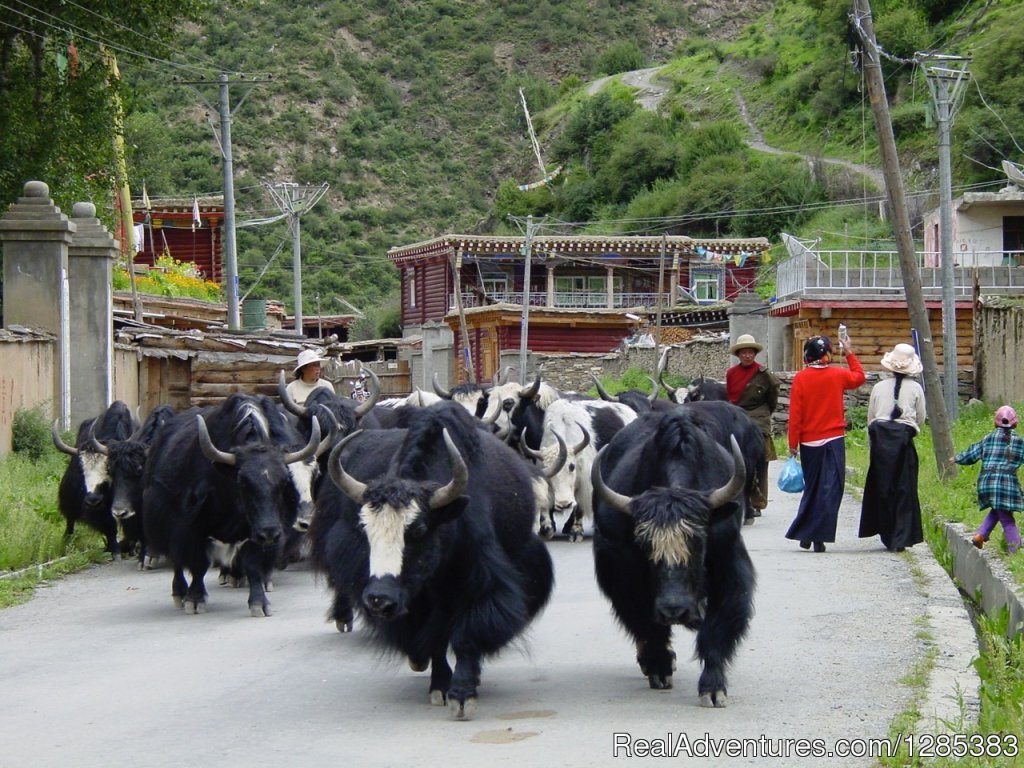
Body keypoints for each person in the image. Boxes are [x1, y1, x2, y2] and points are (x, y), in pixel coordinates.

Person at [785, 334, 865, 552]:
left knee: (812, 489)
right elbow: (859, 377)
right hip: (834, 440)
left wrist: (793, 445)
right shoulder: (837, 375)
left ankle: (805, 532)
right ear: (828, 353)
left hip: (809, 442)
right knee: (830, 490)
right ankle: (818, 535)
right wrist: (848, 351)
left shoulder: (801, 379)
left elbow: (795, 416)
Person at [858, 343, 927, 552]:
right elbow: (921, 418)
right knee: (904, 489)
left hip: (880, 442)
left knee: (882, 487)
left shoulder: (879, 388)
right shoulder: (916, 388)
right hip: (903, 441)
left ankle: (886, 532)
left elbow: (871, 416)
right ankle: (901, 536)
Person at [953, 405, 1024, 554]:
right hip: (1006, 484)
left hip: (986, 482)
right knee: (1007, 519)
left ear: (995, 422)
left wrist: (957, 458)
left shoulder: (987, 439)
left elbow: (971, 455)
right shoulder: (1019, 442)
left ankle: (981, 535)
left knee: (998, 509)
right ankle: (1015, 547)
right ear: (1015, 423)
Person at [726, 334, 780, 521]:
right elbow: (730, 397)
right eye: (744, 352)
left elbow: (772, 399)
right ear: (738, 354)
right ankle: (737, 498)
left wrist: (763, 415)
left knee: (760, 461)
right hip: (736, 416)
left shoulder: (764, 374)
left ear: (754, 354)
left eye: (750, 352)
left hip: (759, 417)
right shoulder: (731, 373)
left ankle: (758, 502)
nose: (747, 355)